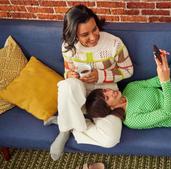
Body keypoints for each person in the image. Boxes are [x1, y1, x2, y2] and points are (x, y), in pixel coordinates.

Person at [46, 5, 133, 160]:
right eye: (85, 34)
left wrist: (101, 75)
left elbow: (128, 70)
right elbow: (67, 73)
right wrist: (70, 75)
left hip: (105, 95)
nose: (93, 37)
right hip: (80, 90)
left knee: (111, 139)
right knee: (66, 85)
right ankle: (64, 130)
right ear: (74, 35)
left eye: (95, 29)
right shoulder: (68, 48)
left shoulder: (114, 44)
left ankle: (69, 123)